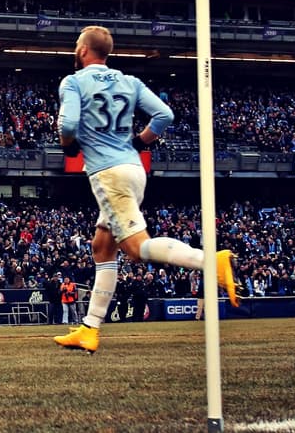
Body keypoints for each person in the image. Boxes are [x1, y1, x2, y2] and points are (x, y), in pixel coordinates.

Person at [54, 25, 239, 355]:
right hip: (134, 168)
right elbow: (164, 115)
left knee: (137, 249)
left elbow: (67, 125)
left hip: (108, 174)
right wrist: (140, 141)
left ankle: (210, 261)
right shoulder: (129, 82)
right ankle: (89, 328)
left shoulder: (74, 82)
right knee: (102, 247)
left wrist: (68, 146)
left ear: (83, 50)